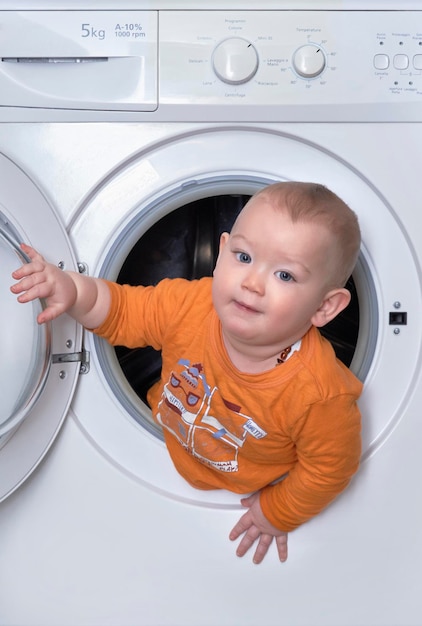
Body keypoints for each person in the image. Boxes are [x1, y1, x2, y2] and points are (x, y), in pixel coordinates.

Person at [10, 181, 363, 565]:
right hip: (163, 438)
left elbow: (328, 470)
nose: (253, 283)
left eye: (285, 276)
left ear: (326, 308)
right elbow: (124, 311)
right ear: (222, 251)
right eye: (243, 257)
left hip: (244, 481)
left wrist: (276, 512)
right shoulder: (190, 304)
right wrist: (73, 291)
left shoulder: (320, 394)